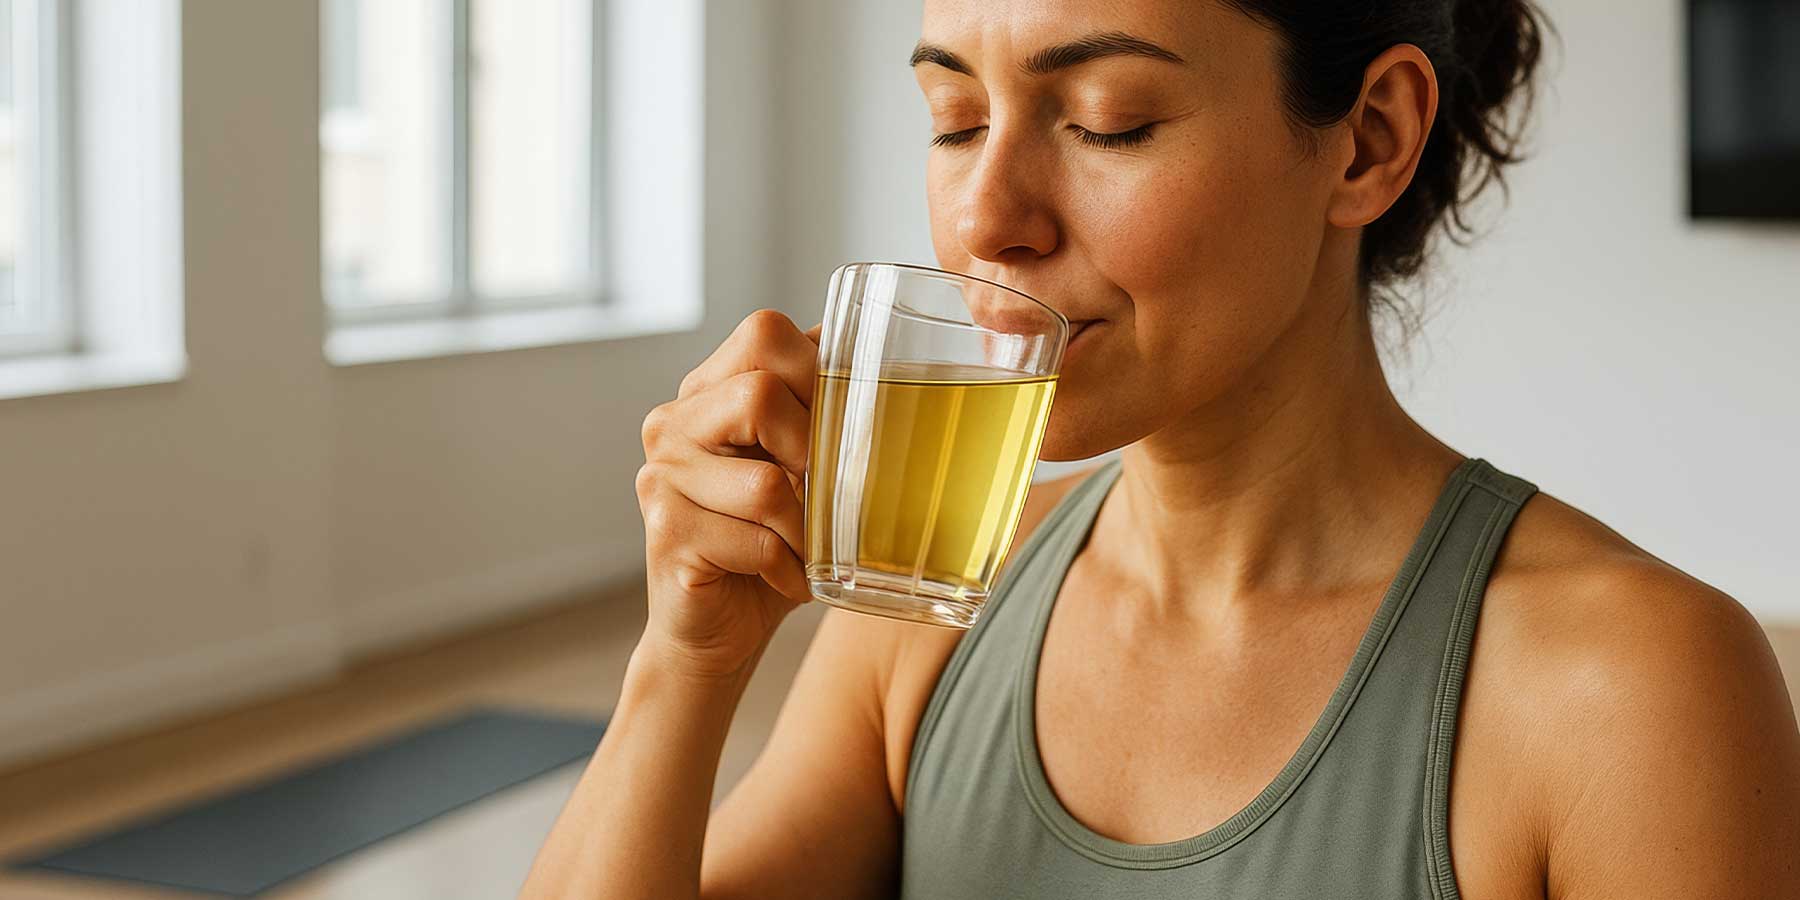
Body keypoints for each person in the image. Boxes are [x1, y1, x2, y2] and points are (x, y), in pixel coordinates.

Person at [522, 1, 1800, 897]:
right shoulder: (931, 609)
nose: (985, 220)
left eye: (1109, 120)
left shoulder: (1631, 689)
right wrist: (681, 665)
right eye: (957, 119)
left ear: (1368, 139)